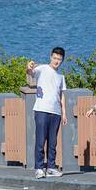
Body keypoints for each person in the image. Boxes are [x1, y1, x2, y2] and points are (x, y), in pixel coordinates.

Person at [26, 46, 68, 179]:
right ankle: (39, 168)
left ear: (62, 60)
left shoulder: (61, 77)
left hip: (56, 112)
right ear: (51, 57)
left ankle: (51, 167)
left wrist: (64, 113)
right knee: (41, 140)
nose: (56, 61)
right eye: (55, 58)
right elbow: (31, 73)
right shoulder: (43, 68)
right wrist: (28, 67)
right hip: (42, 109)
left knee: (53, 142)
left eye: (59, 59)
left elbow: (62, 95)